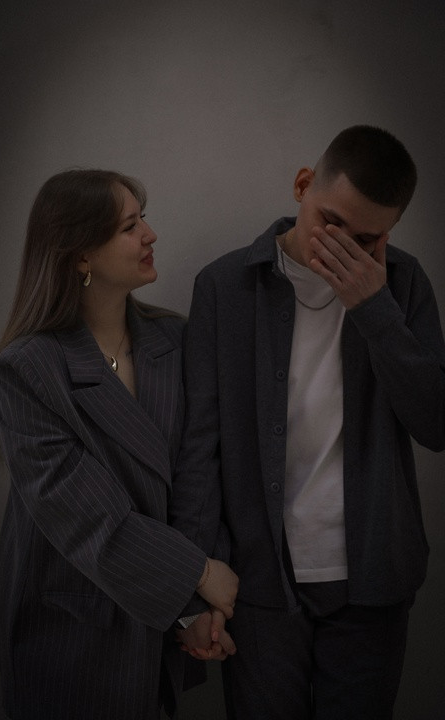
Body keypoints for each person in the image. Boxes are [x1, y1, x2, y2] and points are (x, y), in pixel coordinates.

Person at [170, 126, 445, 719]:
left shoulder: (402, 282)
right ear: (302, 186)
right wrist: (195, 586)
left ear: (389, 231)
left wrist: (374, 309)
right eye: (331, 222)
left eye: (366, 238)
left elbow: (436, 424)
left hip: (373, 579)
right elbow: (199, 449)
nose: (343, 247)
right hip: (260, 583)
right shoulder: (224, 286)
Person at [0, 169, 238, 720]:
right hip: (70, 637)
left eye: (143, 219)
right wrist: (198, 575)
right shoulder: (29, 370)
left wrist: (193, 611)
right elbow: (89, 521)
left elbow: (198, 475)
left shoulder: (176, 340)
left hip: (160, 633)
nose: (150, 234)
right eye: (129, 226)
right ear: (81, 255)